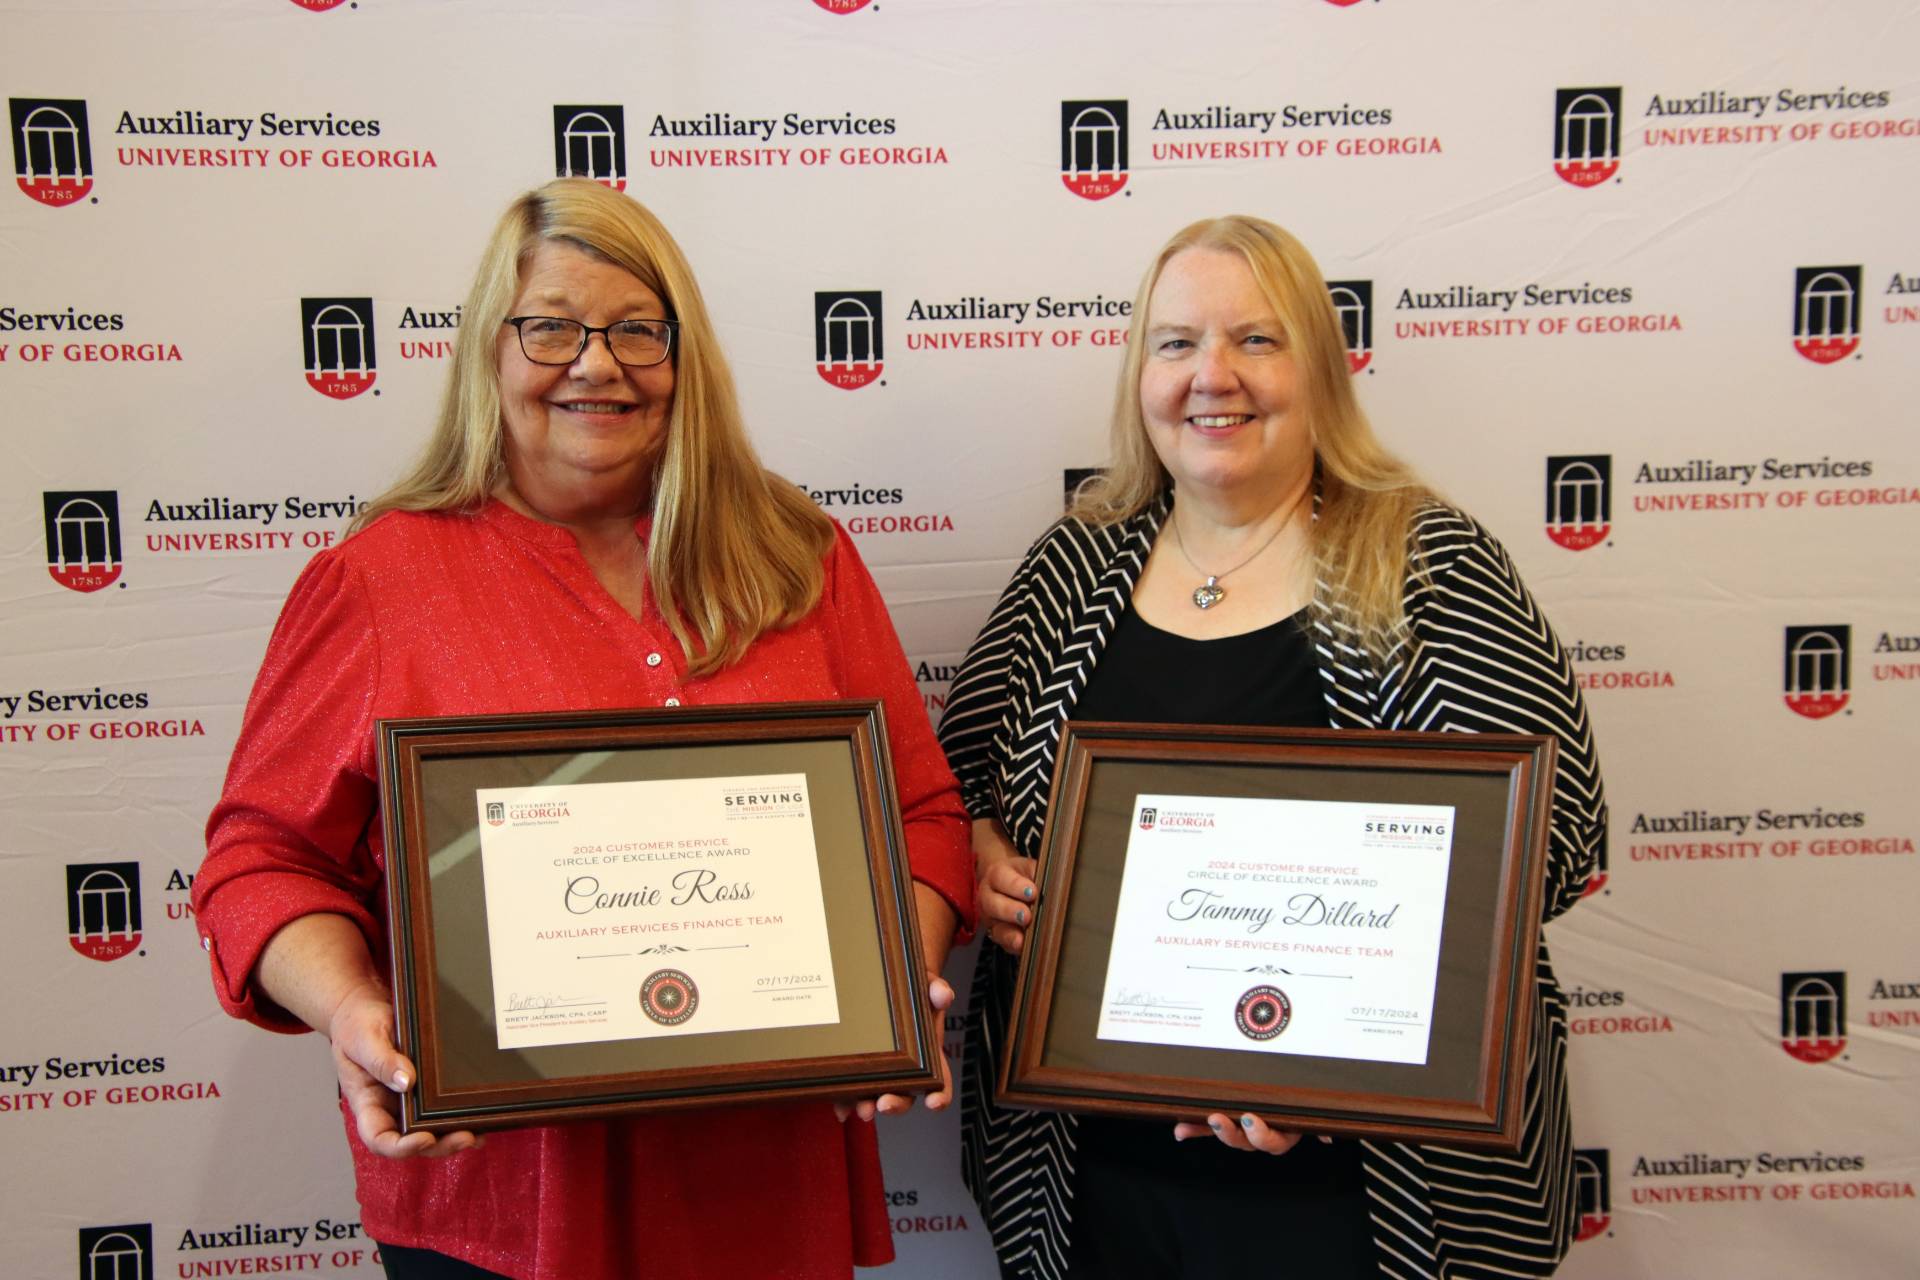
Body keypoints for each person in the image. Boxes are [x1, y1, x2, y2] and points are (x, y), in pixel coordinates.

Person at [193, 178, 974, 1280]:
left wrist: (893, 981)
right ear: (489, 351)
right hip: (503, 1194)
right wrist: (353, 1005)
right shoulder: (380, 579)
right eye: (551, 326)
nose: (595, 363)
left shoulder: (800, 555)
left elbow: (924, 815)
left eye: (635, 331)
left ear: (683, 355)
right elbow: (260, 860)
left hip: (760, 1184)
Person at [938, 216, 1606, 1279]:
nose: (1214, 376)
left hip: (1370, 1186)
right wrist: (980, 856)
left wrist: (1326, 1062)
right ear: (1139, 375)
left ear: (1322, 372)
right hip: (1093, 1175)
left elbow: (1552, 843)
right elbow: (952, 780)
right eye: (1176, 343)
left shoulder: (1425, 559)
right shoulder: (1077, 562)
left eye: (1256, 340)